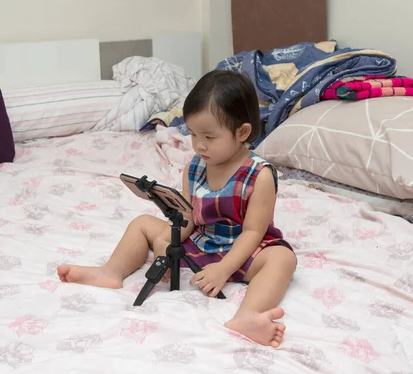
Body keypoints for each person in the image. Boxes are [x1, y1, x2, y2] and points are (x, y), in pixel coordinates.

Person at [57, 70, 297, 348]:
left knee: (282, 259)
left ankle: (248, 316)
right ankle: (111, 272)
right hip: (201, 242)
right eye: (193, 134)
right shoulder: (195, 166)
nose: (199, 145)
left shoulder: (260, 175)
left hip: (242, 250)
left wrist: (223, 269)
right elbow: (187, 215)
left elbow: (254, 232)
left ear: (242, 132)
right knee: (142, 223)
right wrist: (166, 241)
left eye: (209, 136)